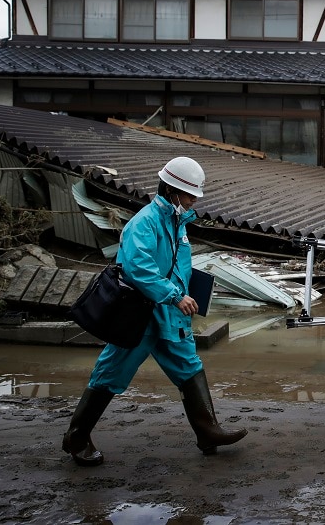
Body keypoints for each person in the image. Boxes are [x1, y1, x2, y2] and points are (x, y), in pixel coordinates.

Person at [62, 156, 247, 466]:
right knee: (111, 372)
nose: (191, 203)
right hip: (139, 315)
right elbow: (138, 268)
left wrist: (183, 297)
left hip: (169, 316)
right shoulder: (145, 222)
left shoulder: (177, 223)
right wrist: (176, 296)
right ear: (172, 191)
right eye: (189, 196)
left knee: (189, 365)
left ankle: (208, 431)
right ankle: (76, 437)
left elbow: (177, 267)